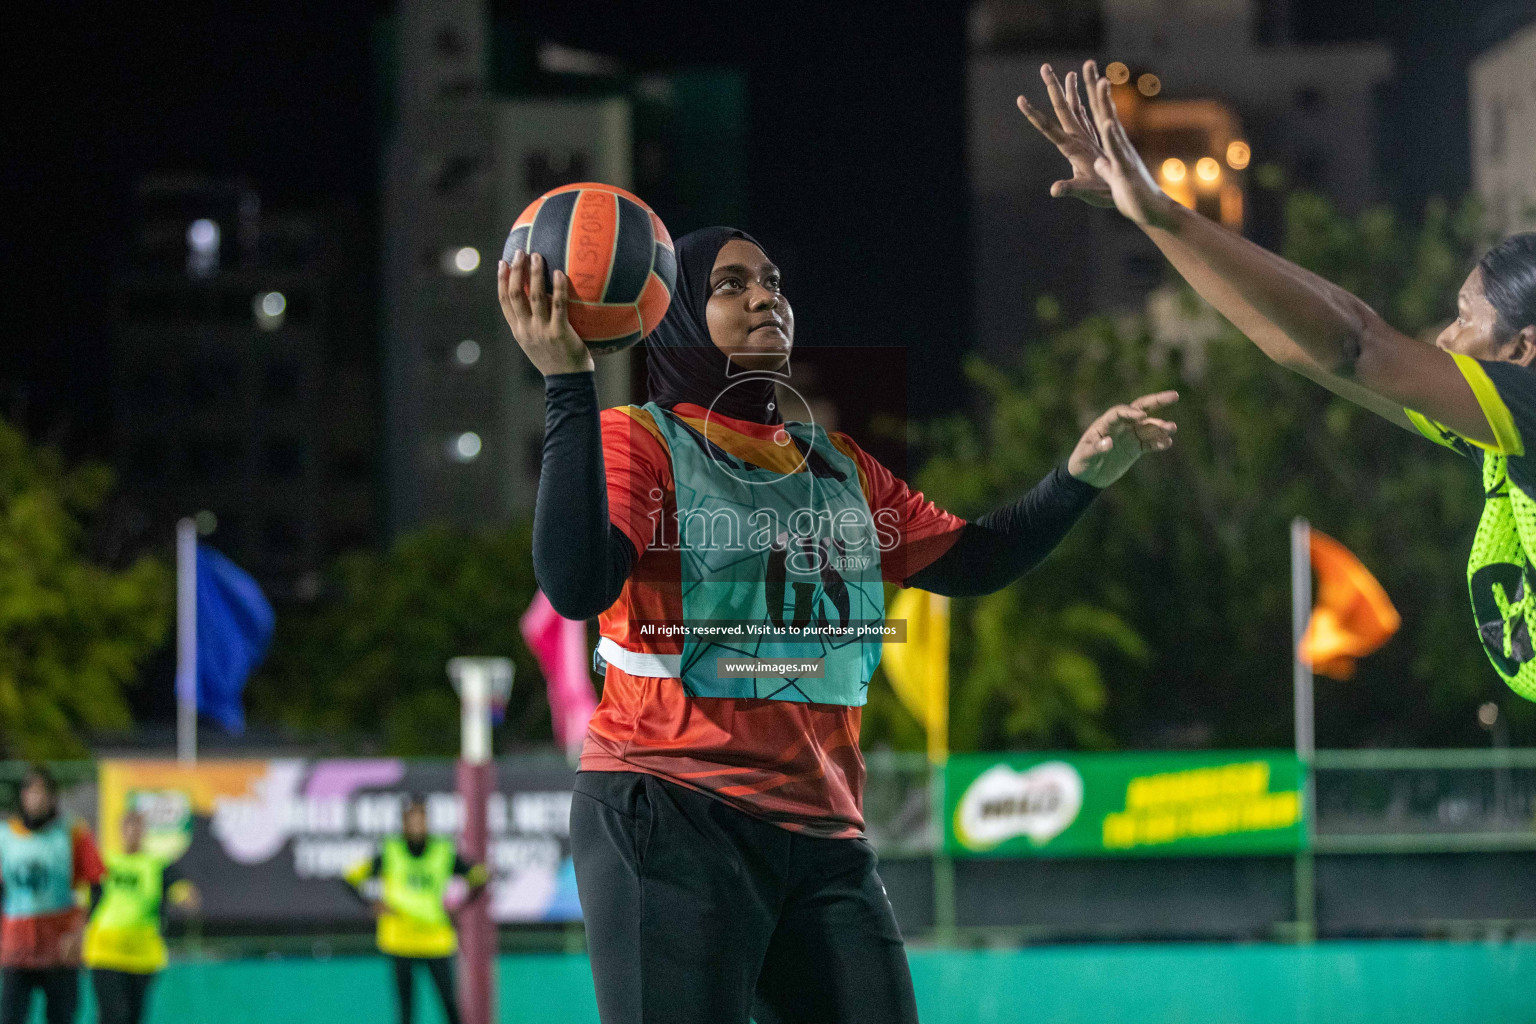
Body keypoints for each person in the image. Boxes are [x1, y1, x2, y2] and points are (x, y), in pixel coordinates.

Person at [497, 224, 1178, 1023]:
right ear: (674, 314)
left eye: (774, 282)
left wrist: (1076, 479)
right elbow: (576, 585)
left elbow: (972, 561)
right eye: (730, 285)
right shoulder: (641, 442)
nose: (765, 297)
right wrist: (568, 384)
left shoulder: (837, 465)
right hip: (669, 811)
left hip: (822, 835)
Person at [1020, 59, 1536, 700]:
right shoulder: (1503, 439)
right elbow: (1304, 351)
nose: (1445, 338)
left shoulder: (1530, 407)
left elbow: (1356, 344)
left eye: (1464, 319)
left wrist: (1162, 209)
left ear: (1521, 347)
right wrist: (1150, 215)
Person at [344, 796, 489, 1024]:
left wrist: (460, 905)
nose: (416, 824)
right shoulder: (390, 851)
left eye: (420, 818)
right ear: (403, 822)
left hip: (435, 938)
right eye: (411, 819)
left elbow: (479, 875)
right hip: (400, 939)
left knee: (450, 1005)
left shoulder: (442, 850)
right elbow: (351, 877)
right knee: (406, 1010)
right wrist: (372, 904)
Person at [0, 765, 104, 1024]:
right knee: (10, 1016)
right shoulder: (6, 836)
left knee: (61, 1017)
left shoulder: (71, 832)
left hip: (60, 946)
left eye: (42, 791)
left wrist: (79, 932)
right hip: (17, 946)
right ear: (22, 796)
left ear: (53, 797)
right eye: (30, 791)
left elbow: (97, 885)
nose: (36, 798)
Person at [83, 808, 200, 1024]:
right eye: (128, 827)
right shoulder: (106, 862)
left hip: (142, 955)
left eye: (137, 827)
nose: (132, 832)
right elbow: (86, 899)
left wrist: (185, 896)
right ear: (120, 831)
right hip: (106, 951)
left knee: (133, 1016)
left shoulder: (156, 865)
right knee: (113, 1015)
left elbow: (178, 887)